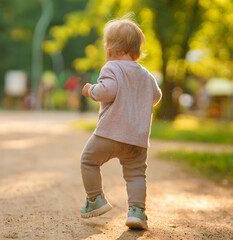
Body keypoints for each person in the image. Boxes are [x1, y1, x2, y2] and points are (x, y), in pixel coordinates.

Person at [80, 16, 162, 230]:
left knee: (89, 161)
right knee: (136, 174)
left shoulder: (111, 68)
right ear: (136, 51)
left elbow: (107, 92)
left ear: (109, 50)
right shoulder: (146, 75)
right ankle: (137, 212)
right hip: (137, 138)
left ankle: (95, 199)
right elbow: (156, 97)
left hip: (110, 133)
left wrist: (90, 90)